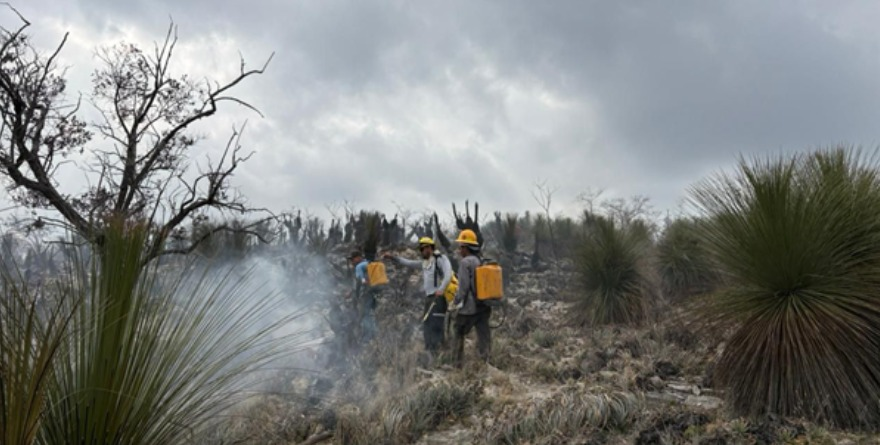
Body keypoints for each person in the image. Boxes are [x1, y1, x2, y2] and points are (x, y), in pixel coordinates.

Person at [384, 237, 453, 361]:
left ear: (430, 248)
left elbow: (448, 275)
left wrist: (441, 289)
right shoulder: (425, 263)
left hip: (438, 298)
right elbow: (409, 263)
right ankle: (429, 351)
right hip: (429, 298)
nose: (423, 251)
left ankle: (439, 354)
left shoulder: (441, 259)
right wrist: (393, 258)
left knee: (436, 325)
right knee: (427, 324)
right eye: (421, 249)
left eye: (425, 248)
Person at [450, 229, 491, 367]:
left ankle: (457, 364)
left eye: (461, 246)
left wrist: (455, 302)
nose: (459, 250)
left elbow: (463, 288)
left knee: (458, 330)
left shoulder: (465, 263)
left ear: (466, 247)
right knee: (484, 334)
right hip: (483, 305)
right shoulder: (480, 260)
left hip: (469, 307)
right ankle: (485, 362)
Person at [349, 250, 377, 344]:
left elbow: (360, 281)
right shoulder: (368, 263)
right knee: (370, 314)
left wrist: (357, 295)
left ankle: (368, 337)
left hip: (366, 294)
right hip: (374, 292)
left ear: (358, 257)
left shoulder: (359, 266)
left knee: (365, 315)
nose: (352, 262)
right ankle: (373, 334)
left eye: (353, 259)